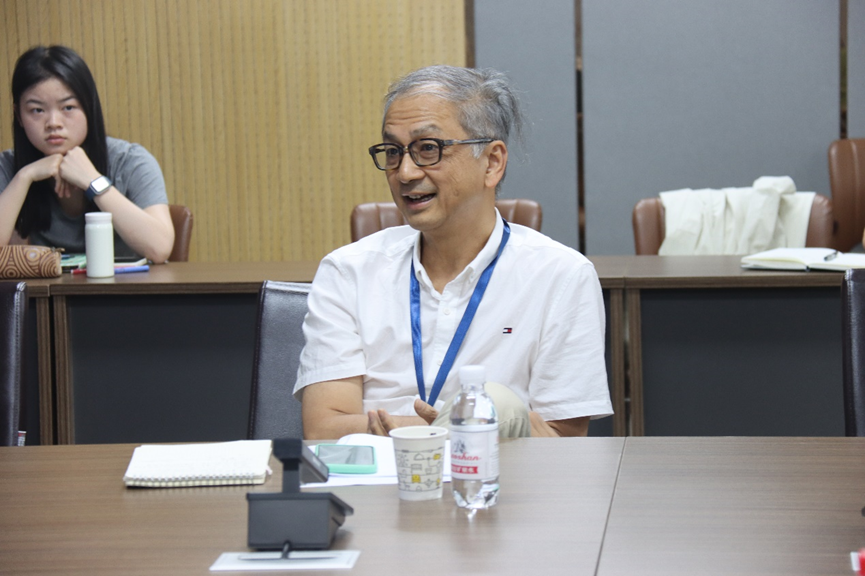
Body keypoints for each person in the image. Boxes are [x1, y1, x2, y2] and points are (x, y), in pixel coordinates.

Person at [295, 65, 612, 439]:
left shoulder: (561, 276)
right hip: (374, 477)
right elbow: (324, 429)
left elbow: (561, 439)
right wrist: (478, 425)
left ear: (492, 162)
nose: (405, 172)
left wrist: (400, 426)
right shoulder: (348, 271)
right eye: (393, 152)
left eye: (428, 149)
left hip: (503, 477)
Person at [0, 45, 174, 262]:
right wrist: (25, 177)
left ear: (89, 107)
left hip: (121, 284)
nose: (53, 123)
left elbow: (159, 248)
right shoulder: (7, 167)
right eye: (37, 110)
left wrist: (93, 181)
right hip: (46, 286)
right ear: (18, 115)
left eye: (68, 107)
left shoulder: (130, 161)